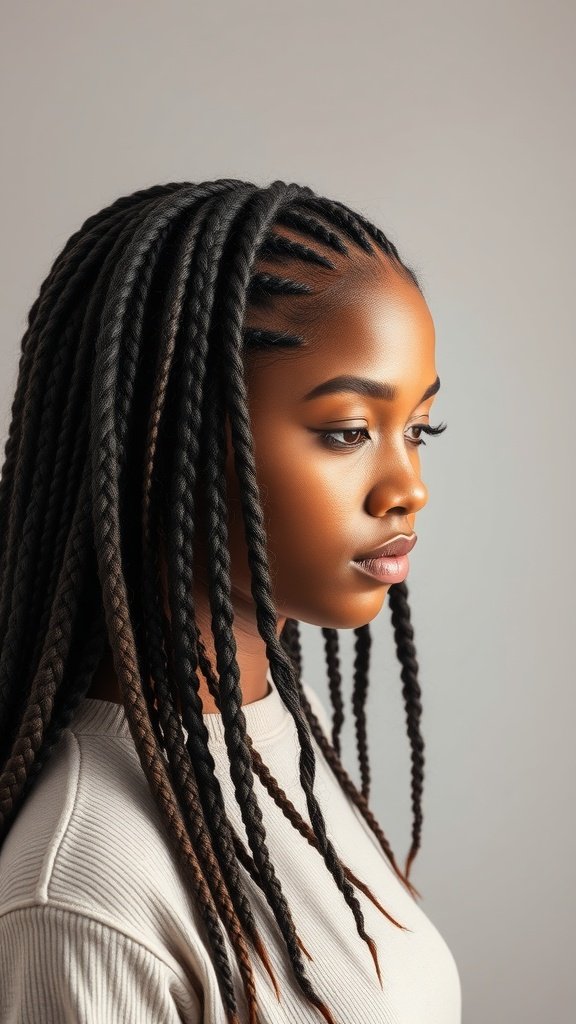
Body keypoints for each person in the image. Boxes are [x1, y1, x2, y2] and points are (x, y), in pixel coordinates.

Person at [0, 179, 461, 1023]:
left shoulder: (280, 723)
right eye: (348, 430)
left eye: (419, 429)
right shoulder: (80, 897)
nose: (408, 488)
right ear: (164, 435)